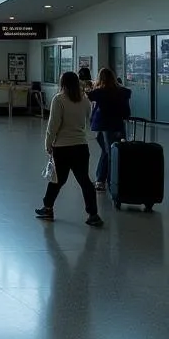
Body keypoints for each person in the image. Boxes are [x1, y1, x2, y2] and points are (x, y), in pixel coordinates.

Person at [36, 71, 102, 226]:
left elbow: (53, 125)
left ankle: (48, 208)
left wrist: (48, 143)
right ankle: (93, 214)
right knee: (84, 180)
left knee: (57, 180)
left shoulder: (59, 99)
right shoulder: (84, 99)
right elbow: (87, 119)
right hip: (81, 146)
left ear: (62, 83)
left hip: (62, 147)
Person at [88, 67, 131, 191]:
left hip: (99, 126)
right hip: (115, 126)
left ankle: (101, 179)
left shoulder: (99, 92)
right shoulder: (122, 92)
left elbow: (89, 96)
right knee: (111, 152)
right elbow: (126, 112)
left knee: (106, 152)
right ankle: (107, 179)